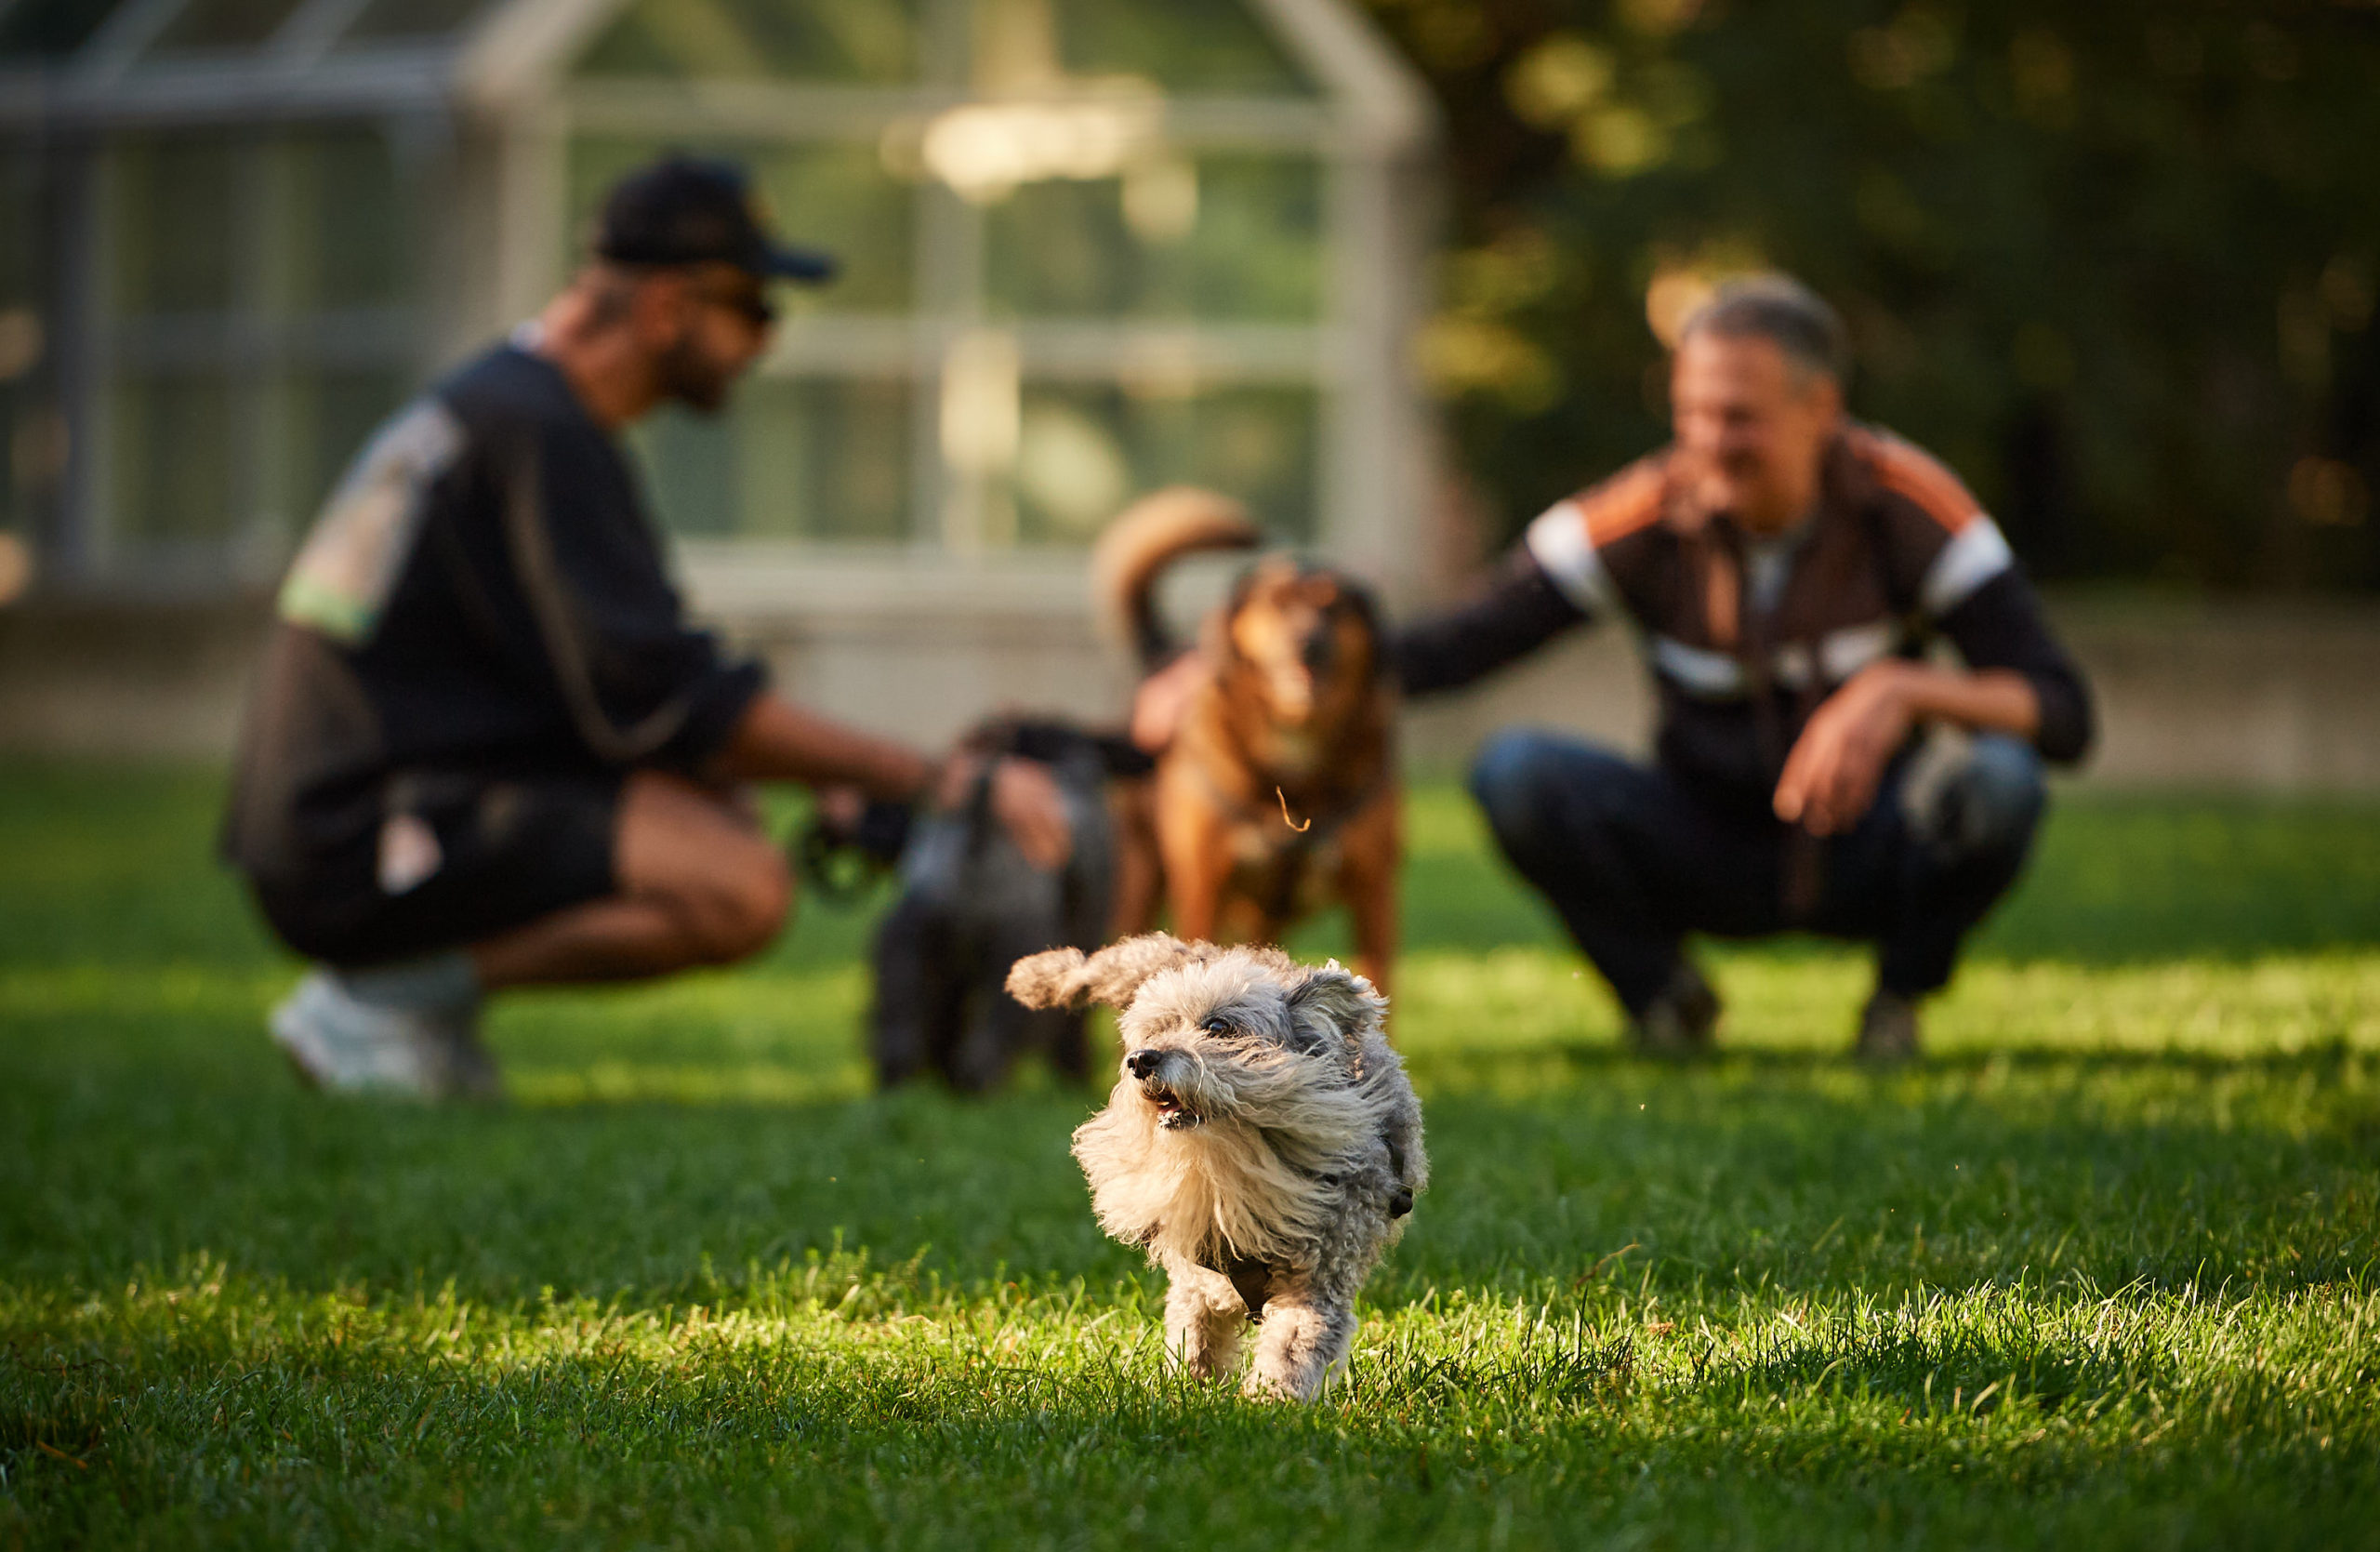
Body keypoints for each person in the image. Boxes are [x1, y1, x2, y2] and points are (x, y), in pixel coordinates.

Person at [222, 155, 1068, 1099]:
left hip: (359, 806)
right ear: (668, 307)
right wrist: (939, 779)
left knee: (715, 811)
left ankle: (408, 1010)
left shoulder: (512, 406)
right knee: (739, 886)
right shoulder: (542, 437)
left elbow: (620, 689)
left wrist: (763, 770)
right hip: (352, 836)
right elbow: (676, 698)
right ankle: (381, 1007)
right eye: (750, 307)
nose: (765, 340)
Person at [1133, 273, 2093, 1058]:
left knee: (2000, 781)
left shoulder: (1909, 503)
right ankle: (1665, 998)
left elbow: (2061, 710)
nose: (1710, 442)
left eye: (1741, 417)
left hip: (1866, 847)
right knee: (1515, 772)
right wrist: (1220, 674)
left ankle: (1895, 1006)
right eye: (1692, 413)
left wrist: (1899, 686)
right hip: (1699, 842)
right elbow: (1456, 646)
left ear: (1821, 407)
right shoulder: (1645, 512)